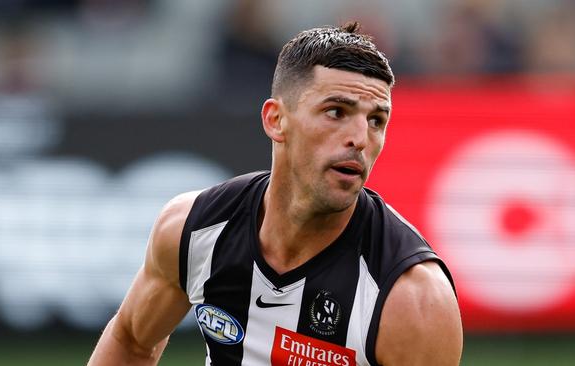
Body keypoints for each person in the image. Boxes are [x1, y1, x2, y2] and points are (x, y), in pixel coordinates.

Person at [88, 22, 462, 366]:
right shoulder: (194, 229)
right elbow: (131, 341)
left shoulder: (413, 298)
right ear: (275, 120)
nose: (360, 139)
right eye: (336, 112)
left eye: (376, 120)